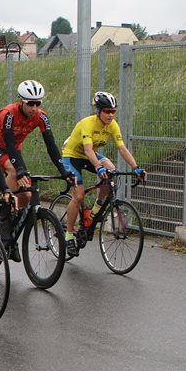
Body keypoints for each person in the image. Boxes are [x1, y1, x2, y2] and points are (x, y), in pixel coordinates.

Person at [0, 80, 76, 259]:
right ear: (21, 101)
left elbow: (51, 145)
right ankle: (4, 213)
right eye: (30, 103)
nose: (34, 107)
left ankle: (13, 226)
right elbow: (9, 144)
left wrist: (63, 170)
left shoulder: (41, 117)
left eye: (38, 103)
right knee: (14, 172)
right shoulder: (8, 114)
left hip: (14, 151)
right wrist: (19, 169)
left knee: (26, 195)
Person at [60, 91, 146, 257]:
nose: (110, 115)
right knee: (78, 196)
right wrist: (98, 167)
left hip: (89, 155)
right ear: (98, 111)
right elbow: (87, 149)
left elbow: (122, 148)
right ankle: (69, 234)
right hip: (72, 156)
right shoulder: (88, 124)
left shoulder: (113, 125)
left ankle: (94, 213)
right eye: (107, 111)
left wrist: (136, 167)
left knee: (111, 172)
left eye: (113, 111)